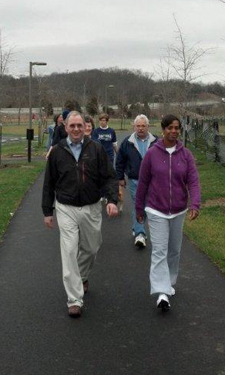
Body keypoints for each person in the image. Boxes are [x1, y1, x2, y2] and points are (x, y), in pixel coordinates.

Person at [42, 111, 118, 318]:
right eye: (72, 126)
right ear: (65, 127)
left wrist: (112, 200)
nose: (76, 129)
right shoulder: (57, 151)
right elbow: (49, 182)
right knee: (68, 251)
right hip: (66, 207)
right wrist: (47, 211)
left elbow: (109, 177)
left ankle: (82, 275)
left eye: (79, 125)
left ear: (85, 127)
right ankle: (74, 299)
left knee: (92, 248)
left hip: (91, 207)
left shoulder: (96, 149)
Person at [135, 114, 200, 312]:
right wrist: (139, 208)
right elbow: (143, 182)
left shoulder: (186, 154)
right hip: (156, 209)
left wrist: (195, 203)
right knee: (160, 251)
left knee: (174, 251)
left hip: (178, 210)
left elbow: (193, 181)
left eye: (176, 128)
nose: (173, 131)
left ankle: (169, 283)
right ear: (162, 129)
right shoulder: (152, 154)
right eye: (170, 128)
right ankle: (161, 292)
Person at [116, 114, 157, 248]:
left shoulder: (156, 142)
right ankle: (140, 233)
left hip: (154, 181)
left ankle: (138, 228)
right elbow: (120, 161)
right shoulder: (128, 142)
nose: (140, 128)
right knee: (138, 205)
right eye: (138, 126)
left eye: (143, 126)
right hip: (135, 180)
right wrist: (120, 177)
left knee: (150, 206)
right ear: (134, 126)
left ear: (148, 127)